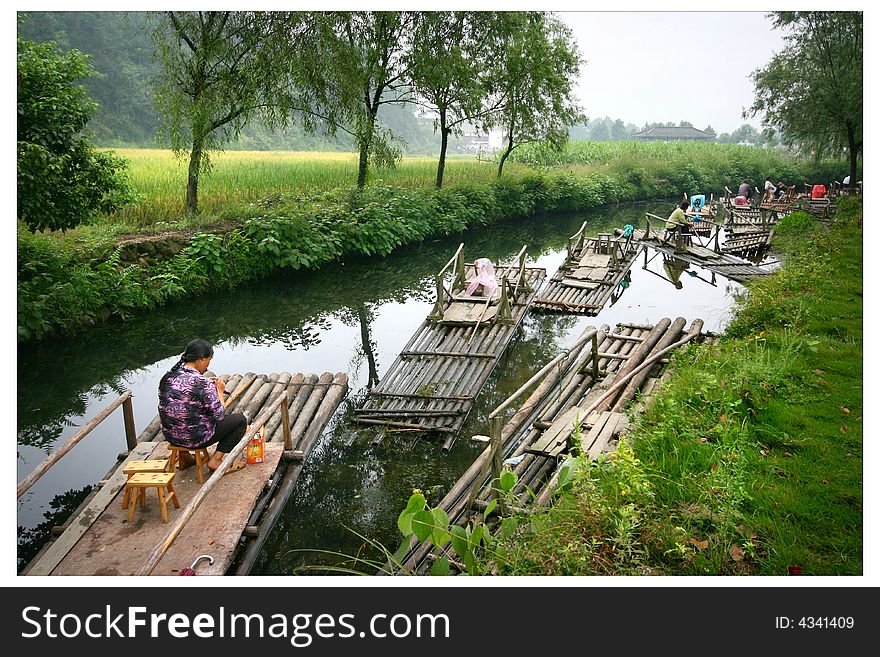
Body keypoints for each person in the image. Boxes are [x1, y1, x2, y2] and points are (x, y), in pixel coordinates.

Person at [158, 339, 248, 475]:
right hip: (195, 439)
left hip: (171, 435)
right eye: (208, 360)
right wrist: (219, 391)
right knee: (240, 420)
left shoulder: (167, 376)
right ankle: (216, 461)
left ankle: (186, 457)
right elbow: (219, 414)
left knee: (181, 415)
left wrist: (207, 390)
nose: (208, 365)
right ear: (201, 360)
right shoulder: (201, 382)